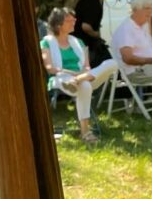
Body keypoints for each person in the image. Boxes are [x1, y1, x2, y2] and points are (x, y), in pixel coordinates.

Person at [41, 7, 117, 144]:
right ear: (58, 24)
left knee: (112, 63)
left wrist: (82, 74)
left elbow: (86, 66)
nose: (74, 22)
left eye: (74, 19)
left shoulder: (78, 42)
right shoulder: (46, 42)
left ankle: (79, 80)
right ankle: (85, 132)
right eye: (70, 20)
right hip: (62, 78)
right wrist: (74, 74)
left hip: (83, 77)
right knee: (85, 86)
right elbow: (50, 68)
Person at [73, 0, 117, 65]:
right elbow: (85, 26)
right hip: (82, 41)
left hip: (88, 41)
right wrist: (100, 35)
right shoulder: (92, 1)